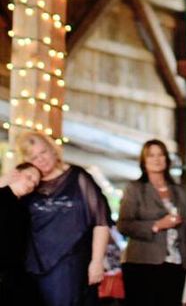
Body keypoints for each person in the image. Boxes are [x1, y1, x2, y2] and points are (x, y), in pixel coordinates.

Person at [17, 129, 111, 306]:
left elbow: (101, 221)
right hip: (34, 266)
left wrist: (97, 261)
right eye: (34, 158)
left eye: (43, 152)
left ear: (53, 149)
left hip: (73, 263)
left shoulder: (79, 177)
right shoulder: (28, 185)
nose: (41, 159)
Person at [117, 138, 186, 306]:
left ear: (167, 159)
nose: (156, 159)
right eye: (151, 155)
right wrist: (157, 225)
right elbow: (123, 224)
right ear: (144, 161)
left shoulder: (179, 190)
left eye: (160, 155)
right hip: (142, 263)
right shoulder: (135, 188)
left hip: (175, 264)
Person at [0, 162, 41, 305]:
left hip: (12, 275)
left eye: (35, 183)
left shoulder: (24, 209)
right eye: (29, 177)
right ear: (16, 172)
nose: (31, 184)